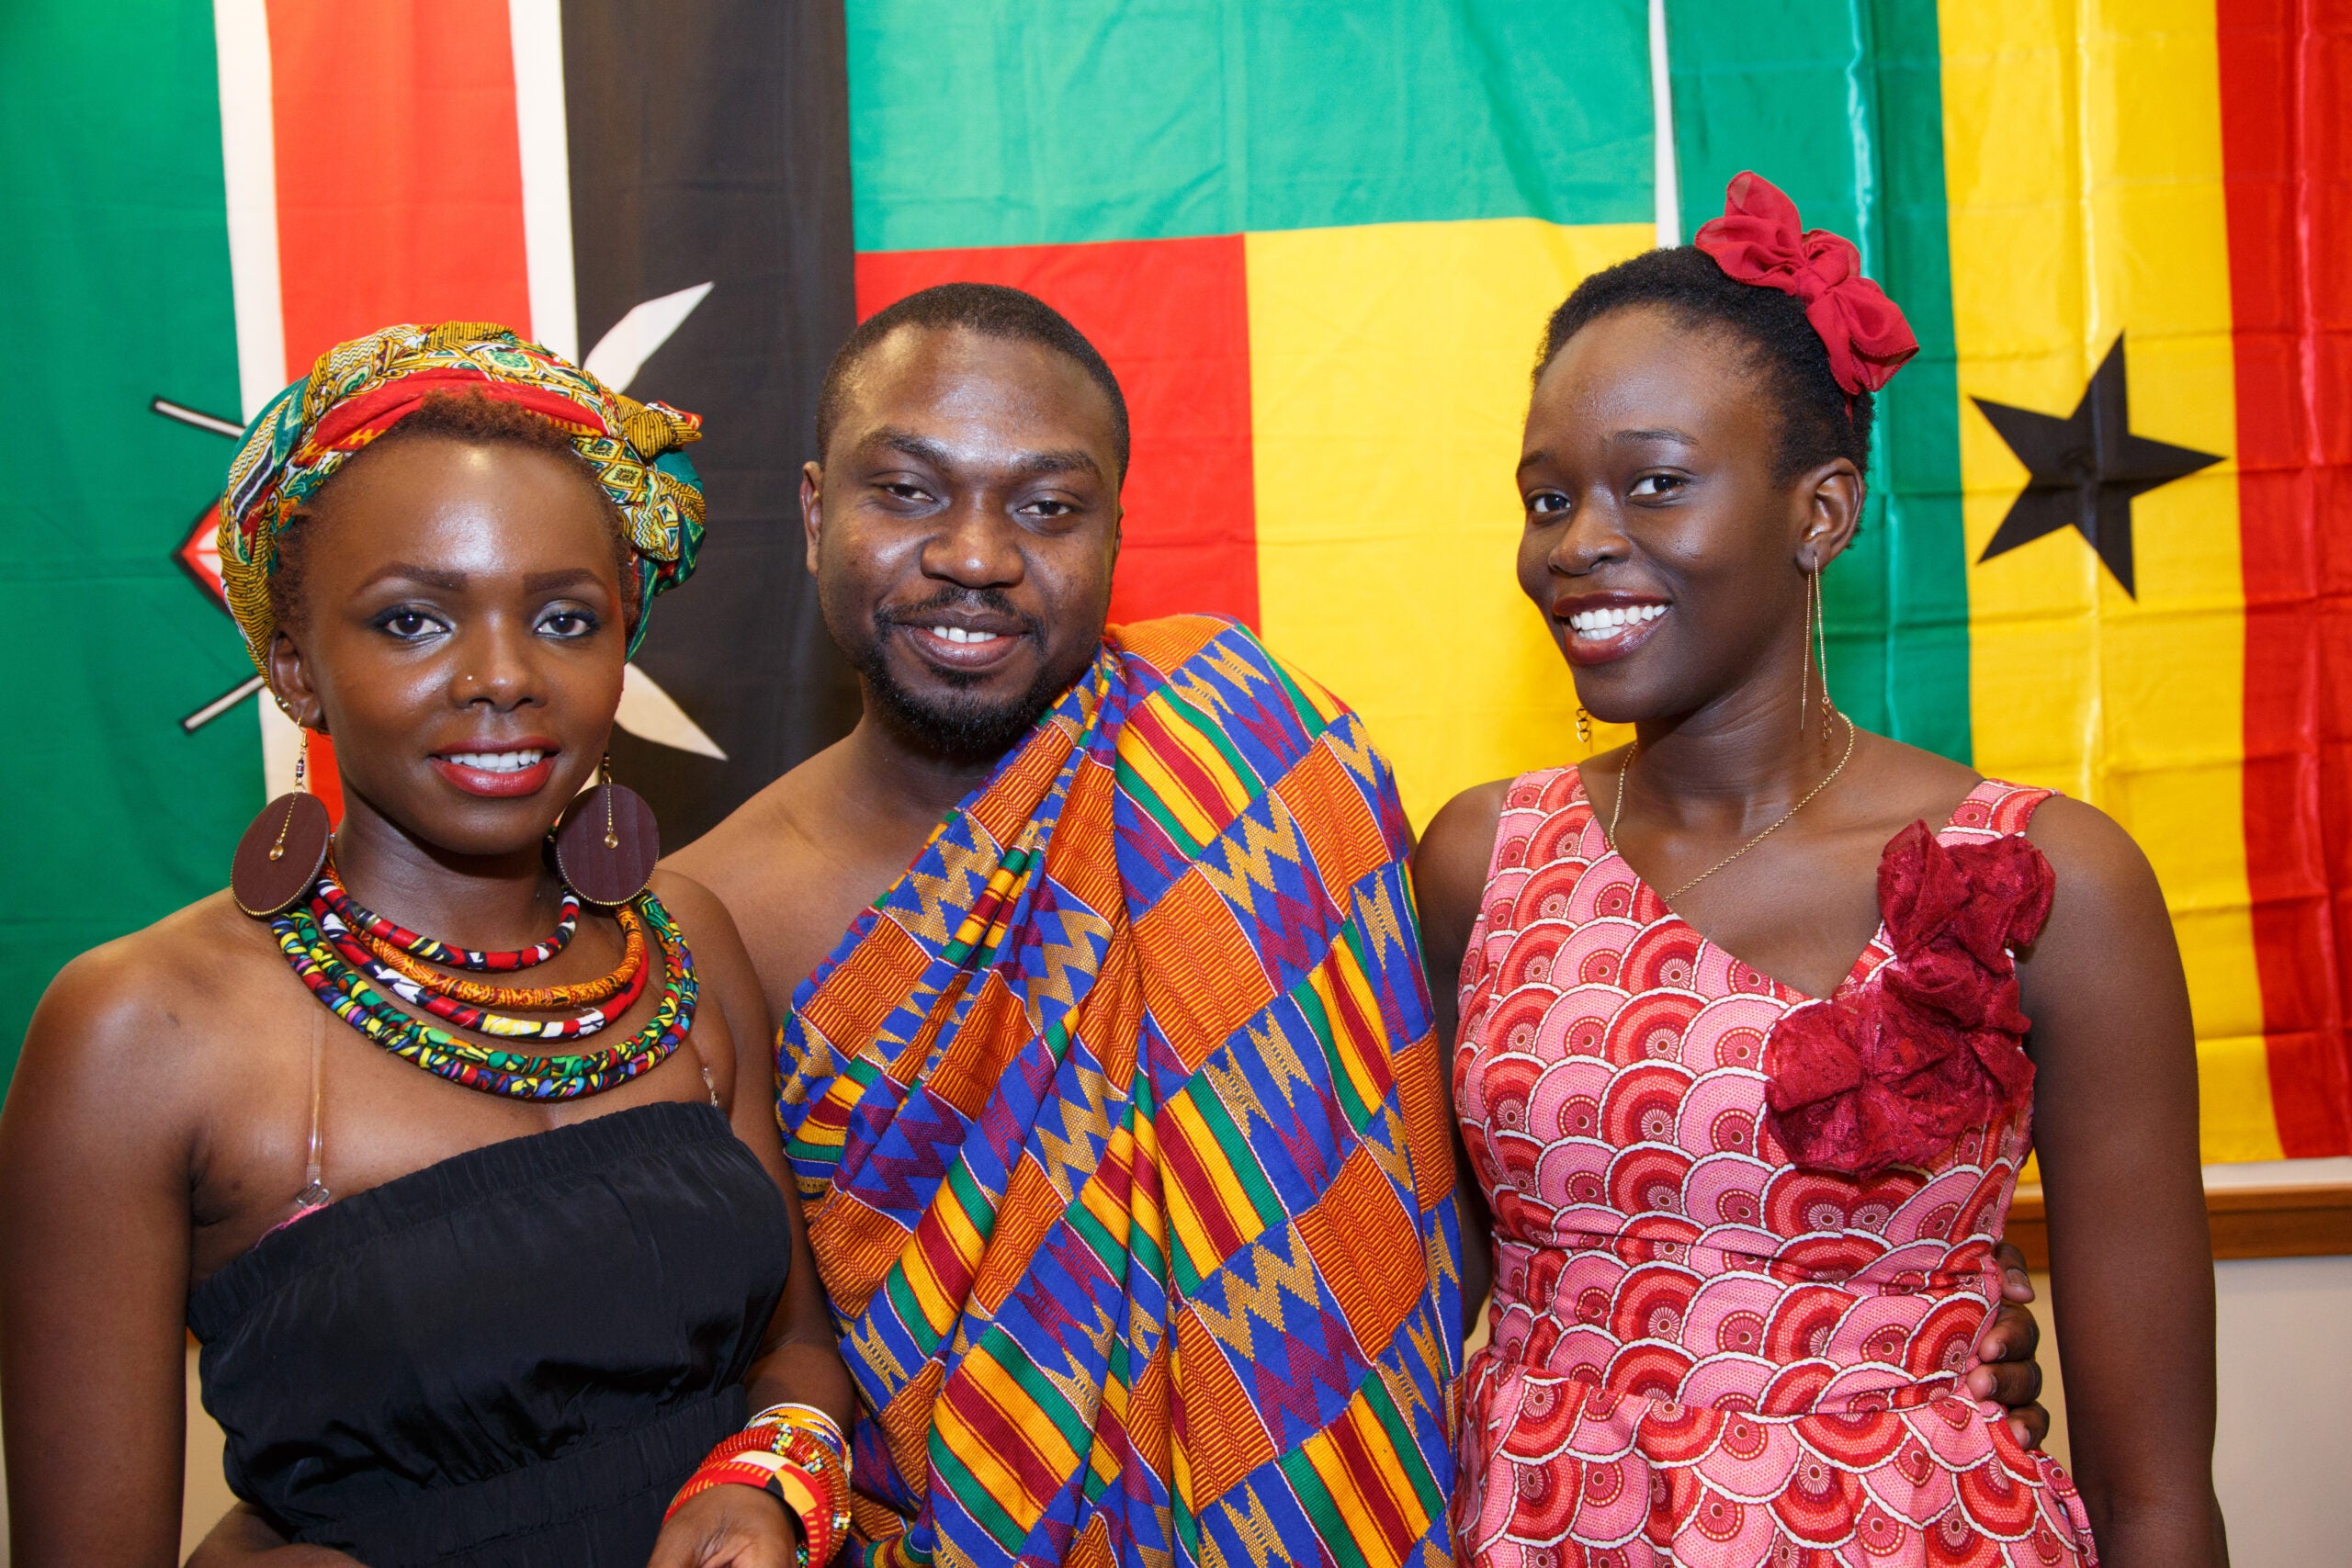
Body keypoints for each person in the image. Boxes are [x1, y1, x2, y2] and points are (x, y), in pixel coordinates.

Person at [669, 282, 2054, 1567]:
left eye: (1046, 507)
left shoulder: (1248, 765)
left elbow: (1471, 1191)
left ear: (1113, 537)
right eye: (909, 492)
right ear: (810, 512)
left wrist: (1879, 1320)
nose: (973, 557)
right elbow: (770, 1344)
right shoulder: (717, 912)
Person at [1411, 175, 2222, 1566]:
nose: (1581, 541)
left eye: (1655, 482)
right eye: (1549, 497)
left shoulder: (2045, 875)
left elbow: (2153, 1489)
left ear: (1822, 512)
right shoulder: (1483, 859)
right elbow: (1411, 1322)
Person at [0, 323, 854, 1568]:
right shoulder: (141, 1030)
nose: (504, 677)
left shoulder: (683, 948)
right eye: (411, 622)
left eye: (564, 618)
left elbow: (796, 1350)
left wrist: (769, 1480)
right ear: (294, 664)